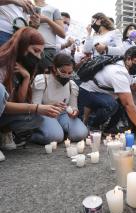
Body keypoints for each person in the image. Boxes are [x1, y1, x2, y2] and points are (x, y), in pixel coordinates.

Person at [0, 28, 62, 160]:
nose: (38, 57)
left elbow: (20, 102)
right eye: (35, 50)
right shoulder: (3, 63)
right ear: (22, 45)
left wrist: (26, 78)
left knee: (36, 117)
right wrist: (36, 107)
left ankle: (4, 131)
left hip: (4, 114)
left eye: (41, 53)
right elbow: (3, 104)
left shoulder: (23, 67)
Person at [79, 46, 136, 137]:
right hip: (88, 92)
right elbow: (128, 104)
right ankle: (92, 126)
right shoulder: (119, 72)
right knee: (112, 104)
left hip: (102, 94)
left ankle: (110, 129)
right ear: (128, 58)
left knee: (119, 102)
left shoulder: (122, 65)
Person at [31, 53, 88, 144]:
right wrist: (51, 106)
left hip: (63, 114)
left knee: (81, 134)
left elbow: (74, 107)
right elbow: (34, 106)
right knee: (54, 137)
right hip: (44, 114)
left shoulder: (71, 84)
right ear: (54, 68)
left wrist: (74, 112)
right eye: (63, 72)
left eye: (69, 73)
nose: (66, 75)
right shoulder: (42, 80)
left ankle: (59, 131)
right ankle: (33, 135)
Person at [34, 0, 65, 73]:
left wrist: (47, 20)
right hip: (27, 47)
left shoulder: (53, 9)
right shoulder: (26, 4)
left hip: (47, 50)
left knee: (41, 79)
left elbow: (62, 33)